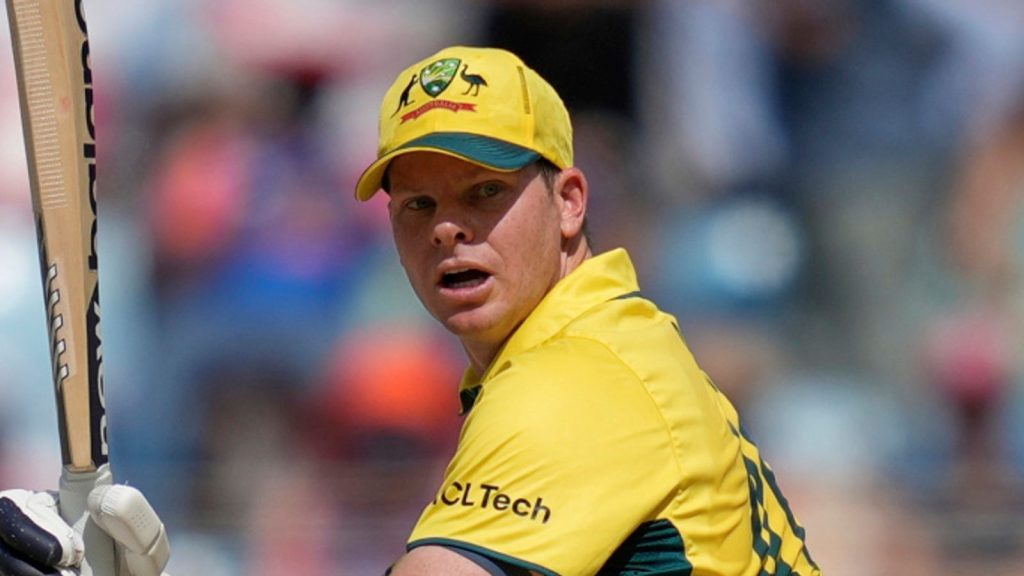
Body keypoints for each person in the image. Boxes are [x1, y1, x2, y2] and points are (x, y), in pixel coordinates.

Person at [0, 46, 821, 576]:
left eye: (486, 192)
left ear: (571, 200)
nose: (449, 228)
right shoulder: (603, 342)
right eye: (417, 204)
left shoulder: (575, 382)